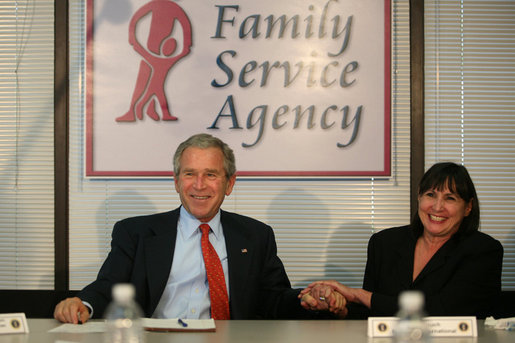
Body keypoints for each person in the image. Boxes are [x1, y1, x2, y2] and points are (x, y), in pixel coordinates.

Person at [54, 133, 343, 323]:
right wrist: (82, 304)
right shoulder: (137, 233)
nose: (199, 185)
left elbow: (273, 299)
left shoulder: (255, 236)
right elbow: (108, 287)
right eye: (190, 174)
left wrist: (306, 299)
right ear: (177, 181)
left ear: (229, 183)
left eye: (211, 175)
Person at [301, 162, 503, 319]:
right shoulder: (384, 243)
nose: (437, 207)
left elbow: (443, 310)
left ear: (468, 207)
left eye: (450, 198)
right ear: (419, 198)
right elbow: (370, 315)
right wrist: (337, 307)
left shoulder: (484, 251)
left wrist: (359, 295)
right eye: (430, 195)